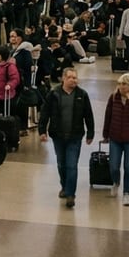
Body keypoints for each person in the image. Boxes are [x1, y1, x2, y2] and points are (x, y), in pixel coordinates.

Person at [38, 69, 95, 209]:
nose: (73, 80)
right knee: (61, 164)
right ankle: (64, 186)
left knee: (72, 165)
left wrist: (90, 133)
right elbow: (45, 112)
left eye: (75, 77)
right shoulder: (54, 93)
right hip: (58, 135)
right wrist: (42, 130)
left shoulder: (82, 94)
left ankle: (70, 194)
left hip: (75, 136)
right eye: (70, 77)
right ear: (63, 78)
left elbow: (88, 115)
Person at [100, 73, 129, 206]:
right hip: (115, 138)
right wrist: (105, 134)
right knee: (113, 166)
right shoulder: (114, 97)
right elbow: (108, 115)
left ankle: (126, 193)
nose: (121, 86)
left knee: (128, 167)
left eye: (124, 84)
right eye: (119, 84)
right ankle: (116, 182)